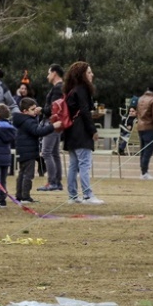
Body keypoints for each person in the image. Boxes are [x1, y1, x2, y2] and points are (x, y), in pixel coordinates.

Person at [62, 61, 102, 204]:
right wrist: (93, 130)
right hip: (81, 132)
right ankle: (87, 195)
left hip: (70, 132)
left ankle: (72, 196)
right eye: (89, 72)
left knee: (73, 165)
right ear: (82, 75)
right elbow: (84, 112)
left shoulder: (71, 90)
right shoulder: (82, 89)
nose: (92, 75)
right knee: (84, 164)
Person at [13, 97, 58, 203]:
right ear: (25, 111)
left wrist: (36, 114)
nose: (35, 111)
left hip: (22, 151)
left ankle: (19, 195)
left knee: (22, 173)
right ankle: (25, 196)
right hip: (28, 152)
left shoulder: (22, 120)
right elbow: (38, 131)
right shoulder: (28, 121)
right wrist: (52, 126)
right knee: (28, 174)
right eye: (32, 109)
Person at [36, 65, 65, 192]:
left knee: (46, 152)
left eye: (49, 73)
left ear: (54, 73)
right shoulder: (62, 87)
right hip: (57, 124)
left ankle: (52, 181)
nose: (47, 76)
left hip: (52, 123)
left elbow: (54, 109)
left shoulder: (57, 89)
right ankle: (57, 182)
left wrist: (41, 110)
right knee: (54, 153)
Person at [135, 85, 153, 181]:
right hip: (149, 127)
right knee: (148, 151)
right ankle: (144, 172)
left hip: (140, 127)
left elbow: (138, 113)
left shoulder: (140, 99)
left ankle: (143, 172)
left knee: (143, 150)